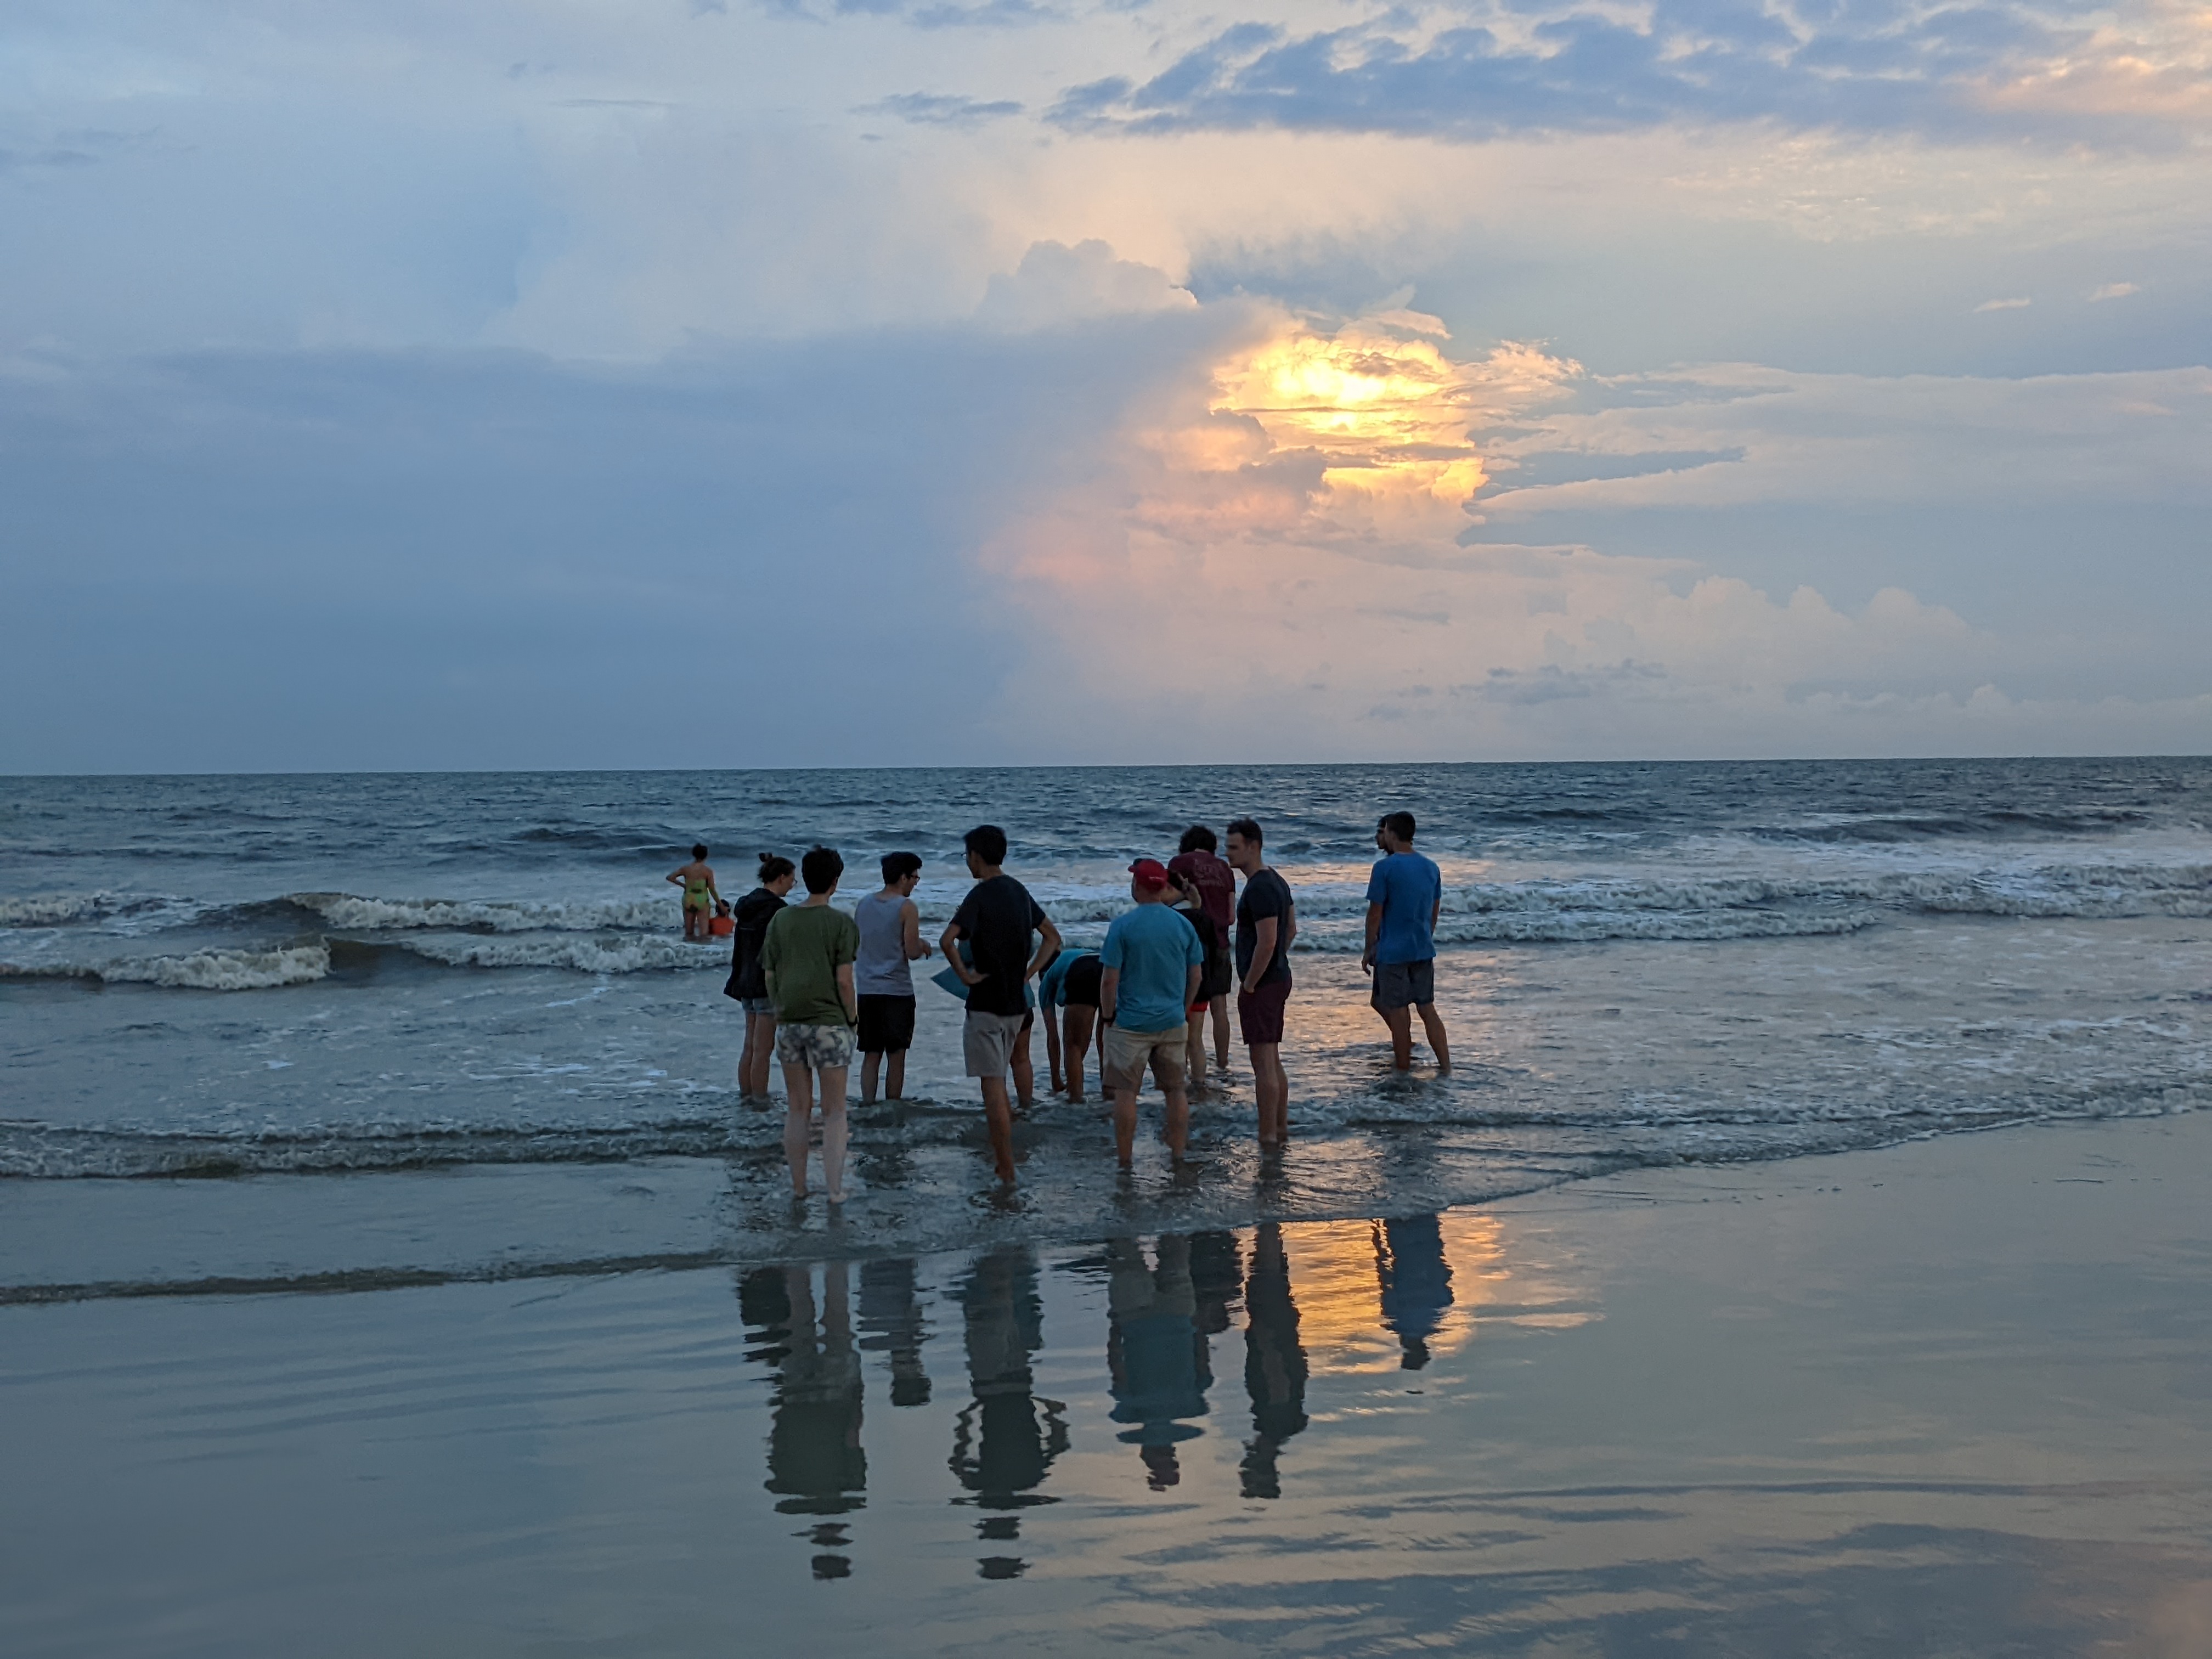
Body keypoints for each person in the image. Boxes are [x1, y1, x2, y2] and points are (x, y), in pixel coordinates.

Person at [941, 825, 1062, 1186]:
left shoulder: (979, 896)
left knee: (993, 1087)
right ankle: (1007, 1160)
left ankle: (1006, 1166)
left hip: (986, 1005)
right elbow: (1053, 938)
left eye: (967, 856)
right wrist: (1030, 972)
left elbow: (948, 940)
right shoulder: (1019, 891)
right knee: (1009, 1073)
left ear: (976, 855)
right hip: (1017, 1005)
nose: (967, 863)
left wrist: (964, 976)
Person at [760, 845, 860, 1201]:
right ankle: (834, 1190)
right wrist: (852, 1019)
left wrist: (780, 1008)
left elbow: (770, 974)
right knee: (834, 1112)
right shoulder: (840, 923)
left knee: (798, 1108)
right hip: (830, 1023)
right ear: (835, 881)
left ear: (803, 878)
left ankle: (800, 1188)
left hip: (789, 1021)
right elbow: (845, 981)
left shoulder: (781, 920)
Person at [1099, 859, 1204, 1169]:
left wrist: (1108, 1016)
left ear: (1139, 886)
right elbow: (1196, 975)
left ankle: (1125, 1159)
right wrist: (1183, 1008)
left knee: (1126, 1093)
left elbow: (1109, 980)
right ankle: (1179, 1153)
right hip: (1172, 1019)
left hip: (1131, 1022)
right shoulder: (1183, 924)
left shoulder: (1123, 926)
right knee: (1176, 1091)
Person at [1226, 817, 1295, 1146]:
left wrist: (1251, 983)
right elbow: (1290, 930)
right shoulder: (1277, 881)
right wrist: (1275, 963)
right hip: (1278, 977)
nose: (1227, 854)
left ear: (1253, 847)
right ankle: (1279, 1129)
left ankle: (1268, 1134)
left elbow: (1268, 941)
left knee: (1263, 1063)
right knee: (1272, 1059)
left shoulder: (1261, 887)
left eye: (1233, 847)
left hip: (1265, 983)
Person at [1363, 810, 1450, 1071]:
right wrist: (1425, 936)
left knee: (1400, 1014)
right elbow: (1434, 910)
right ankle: (1446, 1067)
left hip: (1393, 952)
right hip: (1422, 948)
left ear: (1391, 832)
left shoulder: (1384, 868)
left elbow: (1375, 912)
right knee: (1428, 1010)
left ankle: (1403, 1072)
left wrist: (1369, 948)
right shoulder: (1431, 867)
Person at [854, 851, 930, 1104]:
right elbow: (911, 951)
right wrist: (923, 945)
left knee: (871, 1054)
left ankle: (867, 1105)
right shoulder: (906, 907)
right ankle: (892, 1108)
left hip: (867, 989)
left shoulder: (864, 903)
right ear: (903, 877)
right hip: (896, 991)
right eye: (915, 877)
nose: (916, 882)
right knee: (896, 1055)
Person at [726, 854, 796, 1102]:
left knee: (750, 1047)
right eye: (792, 879)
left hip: (744, 980)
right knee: (764, 1049)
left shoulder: (746, 904)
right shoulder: (778, 910)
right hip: (766, 983)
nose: (792, 884)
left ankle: (746, 1096)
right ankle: (759, 1101)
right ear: (781, 877)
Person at [1169, 827, 1237, 1073]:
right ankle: (1222, 1063)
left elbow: (1166, 898)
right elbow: (1231, 916)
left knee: (1187, 1007)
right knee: (1220, 1008)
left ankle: (1184, 1064)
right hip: (1219, 942)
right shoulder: (1225, 869)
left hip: (1189, 945)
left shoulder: (1180, 862)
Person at [1166, 872, 1224, 1090]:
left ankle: (1177, 1083)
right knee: (1195, 1039)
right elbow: (1212, 949)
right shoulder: (1201, 916)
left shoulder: (1171, 917)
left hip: (1178, 985)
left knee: (1178, 1040)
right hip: (1202, 985)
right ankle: (1199, 1082)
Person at [1037, 944, 1102, 1102]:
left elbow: (1053, 1038)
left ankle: (1075, 1099)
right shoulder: (1068, 957)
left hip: (1082, 970)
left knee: (1073, 1045)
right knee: (1105, 1042)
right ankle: (1109, 1096)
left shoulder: (1047, 978)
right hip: (1107, 966)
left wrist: (1056, 1080)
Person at [667, 844, 720, 941]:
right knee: (704, 934)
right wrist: (720, 905)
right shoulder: (707, 871)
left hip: (689, 899)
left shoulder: (686, 869)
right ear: (706, 856)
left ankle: (687, 952)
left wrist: (683, 885)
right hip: (702, 900)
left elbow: (670, 878)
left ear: (694, 855)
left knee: (689, 933)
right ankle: (701, 953)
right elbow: (712, 890)